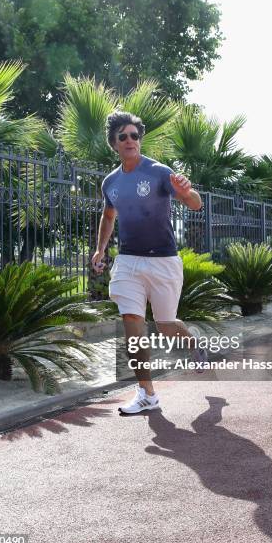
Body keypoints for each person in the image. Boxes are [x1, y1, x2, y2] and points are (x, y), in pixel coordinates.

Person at [91, 111, 204, 414]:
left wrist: (186, 191)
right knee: (132, 320)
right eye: (123, 136)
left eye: (134, 135)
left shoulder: (157, 171)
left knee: (166, 326)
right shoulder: (110, 182)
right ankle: (147, 393)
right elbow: (109, 214)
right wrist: (101, 249)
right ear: (114, 143)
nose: (130, 140)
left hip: (163, 261)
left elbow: (195, 204)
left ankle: (194, 345)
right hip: (128, 261)